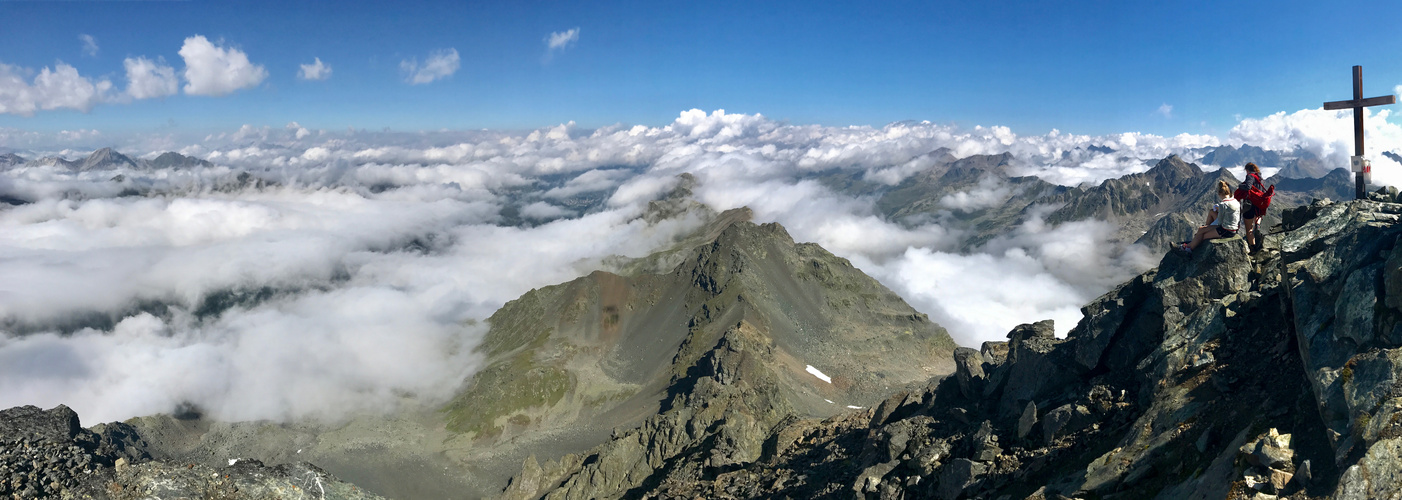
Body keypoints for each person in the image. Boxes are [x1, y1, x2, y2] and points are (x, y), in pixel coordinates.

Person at [1178, 180, 1241, 254]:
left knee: (1203, 234)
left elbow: (1220, 223)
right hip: (1233, 228)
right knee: (1209, 217)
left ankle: (1189, 248)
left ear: (1220, 194)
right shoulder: (1235, 200)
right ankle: (1193, 241)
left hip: (1225, 230)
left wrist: (1207, 228)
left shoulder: (1223, 204)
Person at [1237, 162, 1266, 251]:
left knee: (1249, 229)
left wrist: (1239, 186)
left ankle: (1252, 248)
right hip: (1258, 204)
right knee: (1256, 221)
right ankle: (1257, 224)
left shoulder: (1250, 176)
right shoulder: (1259, 177)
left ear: (1247, 170)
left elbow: (1248, 187)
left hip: (1249, 205)